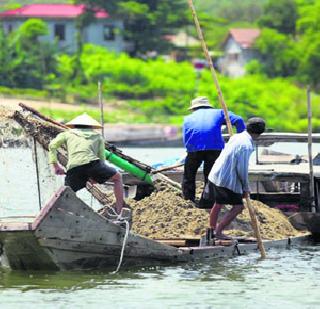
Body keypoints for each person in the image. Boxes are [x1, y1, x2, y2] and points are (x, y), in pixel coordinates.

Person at [48, 113, 124, 215]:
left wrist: (55, 165)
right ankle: (120, 211)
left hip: (74, 168)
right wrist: (96, 176)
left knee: (67, 193)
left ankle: (64, 215)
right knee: (118, 177)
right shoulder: (97, 136)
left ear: (74, 126)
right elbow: (102, 159)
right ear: (91, 126)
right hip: (93, 164)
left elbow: (52, 145)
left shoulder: (67, 134)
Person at [207, 117, 266, 240]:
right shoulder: (246, 145)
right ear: (260, 133)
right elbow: (242, 169)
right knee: (238, 207)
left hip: (215, 174)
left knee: (218, 203)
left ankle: (211, 230)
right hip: (225, 179)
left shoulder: (237, 137)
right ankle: (218, 231)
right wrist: (245, 187)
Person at [182, 96, 245, 202]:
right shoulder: (219, 113)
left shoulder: (187, 118)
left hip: (194, 148)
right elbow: (238, 120)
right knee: (211, 175)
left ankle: (189, 199)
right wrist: (240, 137)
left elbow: (186, 136)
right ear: (208, 107)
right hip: (214, 147)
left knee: (189, 174)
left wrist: (190, 150)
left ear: (193, 109)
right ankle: (208, 201)